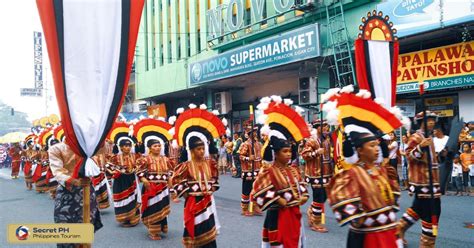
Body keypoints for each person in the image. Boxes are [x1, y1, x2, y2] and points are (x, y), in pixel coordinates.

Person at [322, 86, 405, 248]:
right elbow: (341, 200)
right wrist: (362, 218)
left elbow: (393, 198)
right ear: (359, 150)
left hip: (388, 233)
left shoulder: (382, 170)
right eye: (371, 145)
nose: (376, 148)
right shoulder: (352, 174)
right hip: (367, 239)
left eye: (376, 145)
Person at [252, 96, 311, 247]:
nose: (288, 154)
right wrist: (279, 200)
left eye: (290, 151)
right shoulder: (268, 171)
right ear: (276, 153)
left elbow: (302, 187)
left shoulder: (294, 169)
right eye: (284, 151)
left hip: (294, 214)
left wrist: (303, 196)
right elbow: (257, 191)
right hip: (277, 217)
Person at [170, 104, 226, 248]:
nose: (201, 151)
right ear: (192, 150)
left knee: (208, 227)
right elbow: (176, 182)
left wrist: (210, 189)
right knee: (195, 229)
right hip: (193, 203)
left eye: (203, 148)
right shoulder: (186, 166)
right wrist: (188, 194)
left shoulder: (210, 164)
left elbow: (214, 180)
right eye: (198, 149)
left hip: (208, 201)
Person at [398, 111, 442, 247]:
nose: (432, 122)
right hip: (423, 183)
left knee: (418, 209)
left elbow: (431, 159)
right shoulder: (416, 137)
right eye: (429, 120)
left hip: (432, 183)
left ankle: (398, 231)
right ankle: (427, 244)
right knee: (431, 214)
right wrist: (420, 147)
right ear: (421, 122)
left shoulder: (430, 137)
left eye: (433, 120)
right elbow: (409, 156)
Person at [49, 140, 103, 248]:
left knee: (86, 228)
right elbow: (57, 172)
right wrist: (75, 181)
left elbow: (100, 161)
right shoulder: (56, 149)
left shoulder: (89, 149)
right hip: (66, 193)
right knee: (65, 229)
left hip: (87, 191)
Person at [137, 139, 174, 240]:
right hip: (151, 188)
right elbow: (139, 171)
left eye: (159, 146)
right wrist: (144, 179)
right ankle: (153, 231)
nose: (157, 148)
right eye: (155, 146)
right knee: (153, 208)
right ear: (149, 148)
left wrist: (170, 179)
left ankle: (161, 227)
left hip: (163, 188)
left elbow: (170, 171)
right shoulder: (145, 159)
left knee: (161, 207)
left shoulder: (166, 159)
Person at [301, 120, 333, 233]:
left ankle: (312, 210)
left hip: (326, 173)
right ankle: (316, 222)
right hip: (315, 173)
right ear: (317, 127)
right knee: (318, 197)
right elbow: (304, 155)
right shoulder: (311, 141)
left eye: (326, 126)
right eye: (323, 126)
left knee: (324, 196)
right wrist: (316, 153)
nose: (326, 128)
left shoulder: (327, 140)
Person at [107, 123, 141, 227]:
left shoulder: (135, 156)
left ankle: (133, 218)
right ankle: (124, 218)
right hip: (120, 181)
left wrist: (136, 169)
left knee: (132, 198)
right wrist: (116, 171)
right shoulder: (115, 157)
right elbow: (109, 167)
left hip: (131, 180)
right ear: (121, 147)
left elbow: (140, 165)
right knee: (122, 199)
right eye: (125, 146)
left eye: (129, 145)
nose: (128, 148)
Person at [239, 126, 263, 216]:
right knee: (247, 190)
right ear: (249, 134)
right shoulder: (245, 144)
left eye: (256, 132)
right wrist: (249, 158)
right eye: (253, 132)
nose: (255, 133)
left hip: (257, 170)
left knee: (256, 189)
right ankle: (245, 208)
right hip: (248, 171)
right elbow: (240, 156)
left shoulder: (259, 144)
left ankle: (255, 206)